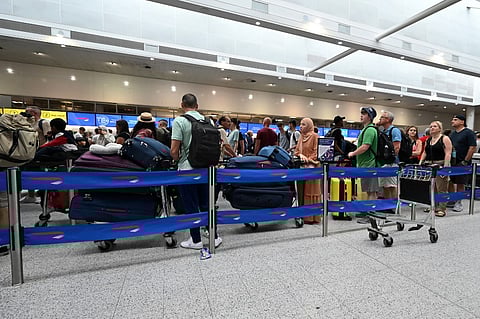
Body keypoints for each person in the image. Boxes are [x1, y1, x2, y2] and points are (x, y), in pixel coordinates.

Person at [170, 93, 222, 250]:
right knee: (207, 204)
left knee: (191, 206)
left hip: (188, 170)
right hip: (208, 169)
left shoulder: (179, 121)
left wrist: (177, 160)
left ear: (182, 105)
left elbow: (174, 150)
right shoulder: (209, 121)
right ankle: (214, 236)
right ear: (197, 106)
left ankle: (196, 240)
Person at [419, 121, 452, 217]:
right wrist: (420, 162)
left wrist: (445, 167)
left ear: (439, 128)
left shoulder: (444, 138)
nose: (432, 128)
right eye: (431, 126)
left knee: (441, 188)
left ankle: (442, 208)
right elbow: (425, 152)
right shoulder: (429, 139)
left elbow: (448, 153)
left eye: (434, 126)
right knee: (431, 187)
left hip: (440, 165)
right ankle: (433, 206)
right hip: (429, 165)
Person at [347, 107, 379, 201]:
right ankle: (368, 210)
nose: (361, 115)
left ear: (370, 117)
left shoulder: (370, 130)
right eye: (361, 113)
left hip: (369, 165)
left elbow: (365, 146)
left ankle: (370, 210)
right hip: (365, 164)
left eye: (364, 114)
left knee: (371, 190)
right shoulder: (366, 129)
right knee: (368, 190)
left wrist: (353, 153)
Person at [294, 118, 321, 224]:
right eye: (300, 124)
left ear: (309, 126)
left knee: (310, 191)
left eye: (303, 124)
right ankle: (302, 215)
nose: (301, 126)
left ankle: (311, 217)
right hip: (302, 169)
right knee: (301, 191)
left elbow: (317, 153)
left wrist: (308, 159)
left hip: (312, 169)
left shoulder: (315, 136)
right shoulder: (301, 137)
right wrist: (300, 155)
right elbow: (296, 151)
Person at [449, 114, 476, 212]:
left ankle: (459, 202)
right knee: (452, 182)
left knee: (460, 182)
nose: (452, 121)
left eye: (455, 119)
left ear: (462, 122)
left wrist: (465, 160)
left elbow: (472, 147)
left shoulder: (468, 133)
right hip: (453, 162)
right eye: (452, 119)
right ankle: (452, 199)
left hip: (462, 162)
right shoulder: (452, 134)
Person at [22, 106, 50, 203]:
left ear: (34, 113)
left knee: (41, 174)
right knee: (29, 173)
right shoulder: (28, 124)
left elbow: (49, 139)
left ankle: (42, 195)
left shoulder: (44, 123)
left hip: (40, 153)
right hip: (29, 153)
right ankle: (31, 195)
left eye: (27, 112)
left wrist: (41, 150)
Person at [377, 111, 401, 205]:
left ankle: (394, 205)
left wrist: (391, 158)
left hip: (392, 162)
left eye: (382, 117)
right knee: (385, 185)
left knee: (392, 185)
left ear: (388, 119)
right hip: (384, 162)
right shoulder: (383, 131)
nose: (380, 119)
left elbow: (397, 147)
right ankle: (387, 205)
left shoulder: (394, 130)